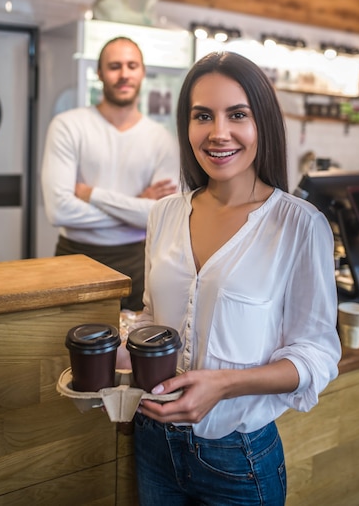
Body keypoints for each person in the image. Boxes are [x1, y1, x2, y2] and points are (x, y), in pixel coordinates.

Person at [122, 51, 341, 505]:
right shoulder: (164, 214)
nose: (218, 132)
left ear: (261, 123)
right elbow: (152, 317)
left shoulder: (301, 225)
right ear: (186, 126)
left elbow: (317, 355)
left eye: (237, 115)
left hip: (237, 459)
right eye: (203, 115)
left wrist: (222, 384)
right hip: (152, 440)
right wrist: (121, 357)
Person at [41, 36, 179, 311]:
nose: (124, 74)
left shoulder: (162, 139)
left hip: (136, 261)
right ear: (99, 73)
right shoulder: (68, 126)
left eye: (132, 65)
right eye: (115, 66)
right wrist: (137, 205)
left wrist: (92, 195)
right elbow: (59, 211)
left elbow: (161, 217)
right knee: (63, 348)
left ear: (142, 72)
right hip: (75, 256)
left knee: (131, 348)